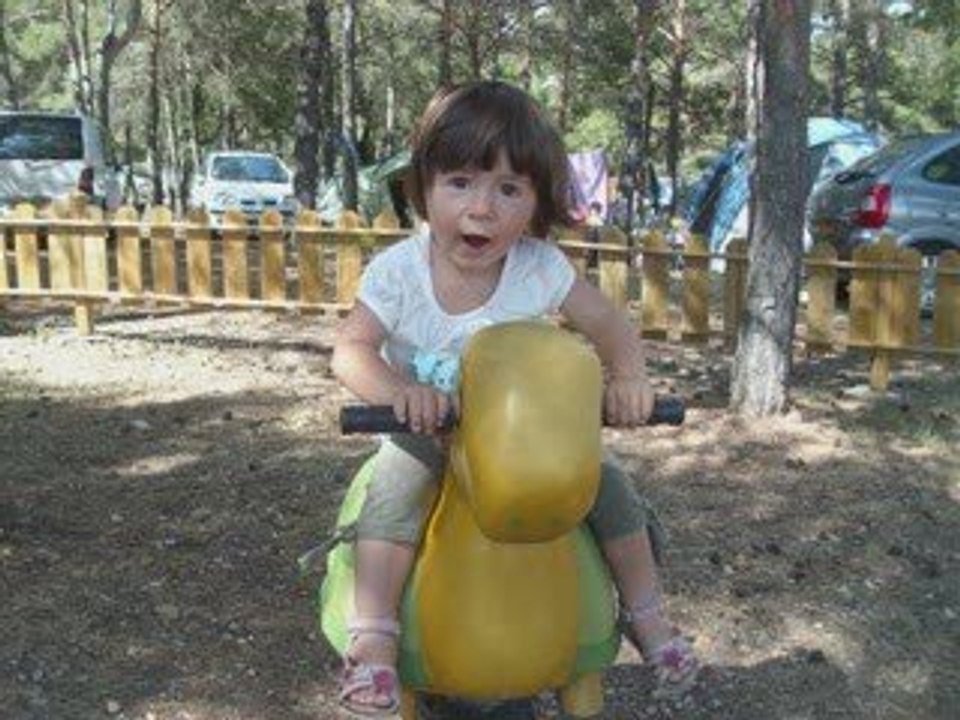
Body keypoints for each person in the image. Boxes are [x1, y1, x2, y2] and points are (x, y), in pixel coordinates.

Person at [330, 80, 700, 716]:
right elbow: (350, 350)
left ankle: (647, 616)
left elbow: (611, 326)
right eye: (461, 183)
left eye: (509, 189)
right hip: (431, 435)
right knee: (391, 495)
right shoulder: (399, 273)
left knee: (611, 489)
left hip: (524, 438)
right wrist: (401, 394)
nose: (483, 209)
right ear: (423, 187)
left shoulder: (539, 268)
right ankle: (374, 638)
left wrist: (628, 377)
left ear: (536, 201)